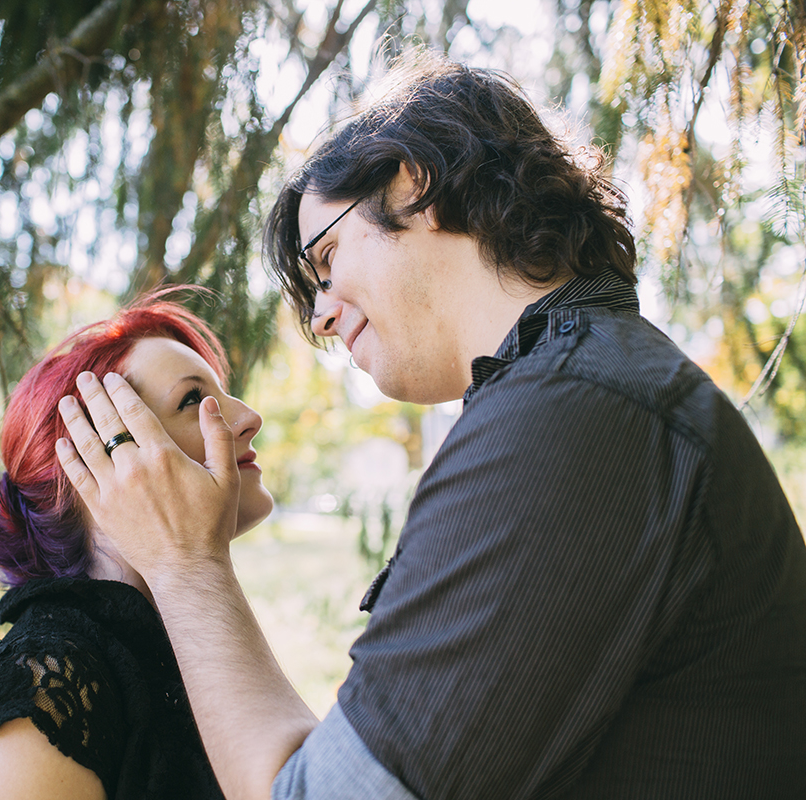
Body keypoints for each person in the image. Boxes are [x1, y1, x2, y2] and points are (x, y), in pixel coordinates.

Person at [54, 51, 806, 800]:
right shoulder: (579, 391)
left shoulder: (570, 413)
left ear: (417, 186)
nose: (319, 314)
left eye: (327, 257)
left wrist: (187, 565)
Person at [0, 290, 274, 800]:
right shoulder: (46, 686)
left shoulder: (184, 645)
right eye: (193, 400)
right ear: (96, 467)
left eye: (223, 395)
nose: (248, 416)